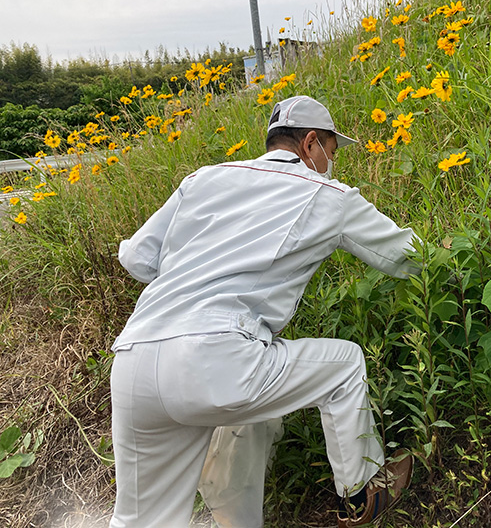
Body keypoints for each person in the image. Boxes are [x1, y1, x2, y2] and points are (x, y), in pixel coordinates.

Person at [109, 95, 417, 528]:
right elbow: (406, 258)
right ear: (311, 143)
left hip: (135, 360)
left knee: (141, 521)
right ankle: (365, 495)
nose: (331, 162)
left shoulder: (204, 179)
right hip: (217, 358)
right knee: (344, 366)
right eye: (330, 150)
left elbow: (137, 259)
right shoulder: (328, 194)